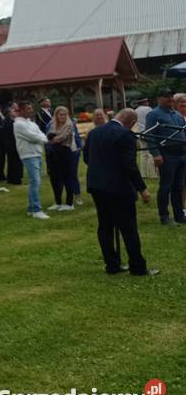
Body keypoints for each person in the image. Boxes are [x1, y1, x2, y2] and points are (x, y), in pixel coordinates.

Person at [84, 108, 157, 276]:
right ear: (132, 122)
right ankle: (137, 267)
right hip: (118, 188)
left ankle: (112, 265)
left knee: (105, 226)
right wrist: (142, 188)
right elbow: (129, 165)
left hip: (97, 186)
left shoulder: (95, 132)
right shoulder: (125, 135)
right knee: (128, 227)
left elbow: (87, 158)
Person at [144, 89, 186, 225]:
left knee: (178, 187)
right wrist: (156, 154)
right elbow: (149, 136)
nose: (170, 99)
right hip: (167, 155)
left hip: (181, 155)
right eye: (166, 97)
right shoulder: (154, 114)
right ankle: (164, 216)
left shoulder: (177, 114)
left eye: (171, 96)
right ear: (159, 98)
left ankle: (179, 214)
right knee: (166, 187)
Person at [14, 102, 49, 219]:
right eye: (28, 109)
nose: (31, 110)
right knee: (35, 182)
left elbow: (42, 135)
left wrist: (41, 139)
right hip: (28, 155)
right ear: (21, 110)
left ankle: (31, 208)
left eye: (31, 108)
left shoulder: (32, 123)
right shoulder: (18, 124)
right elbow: (33, 137)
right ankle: (36, 210)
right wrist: (41, 139)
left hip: (37, 154)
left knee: (35, 182)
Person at [45, 106, 79, 211]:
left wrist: (52, 138)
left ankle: (69, 203)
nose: (63, 116)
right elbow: (48, 137)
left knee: (67, 177)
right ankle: (58, 202)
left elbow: (60, 138)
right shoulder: (52, 124)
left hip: (66, 153)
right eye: (61, 114)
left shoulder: (70, 125)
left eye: (65, 114)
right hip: (53, 154)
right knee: (55, 178)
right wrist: (52, 138)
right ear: (56, 115)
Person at [133, 99, 156, 179]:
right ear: (144, 102)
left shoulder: (135, 111)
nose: (148, 102)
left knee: (143, 154)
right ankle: (153, 175)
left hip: (140, 133)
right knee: (151, 154)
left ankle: (143, 174)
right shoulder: (149, 109)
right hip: (149, 132)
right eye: (147, 101)